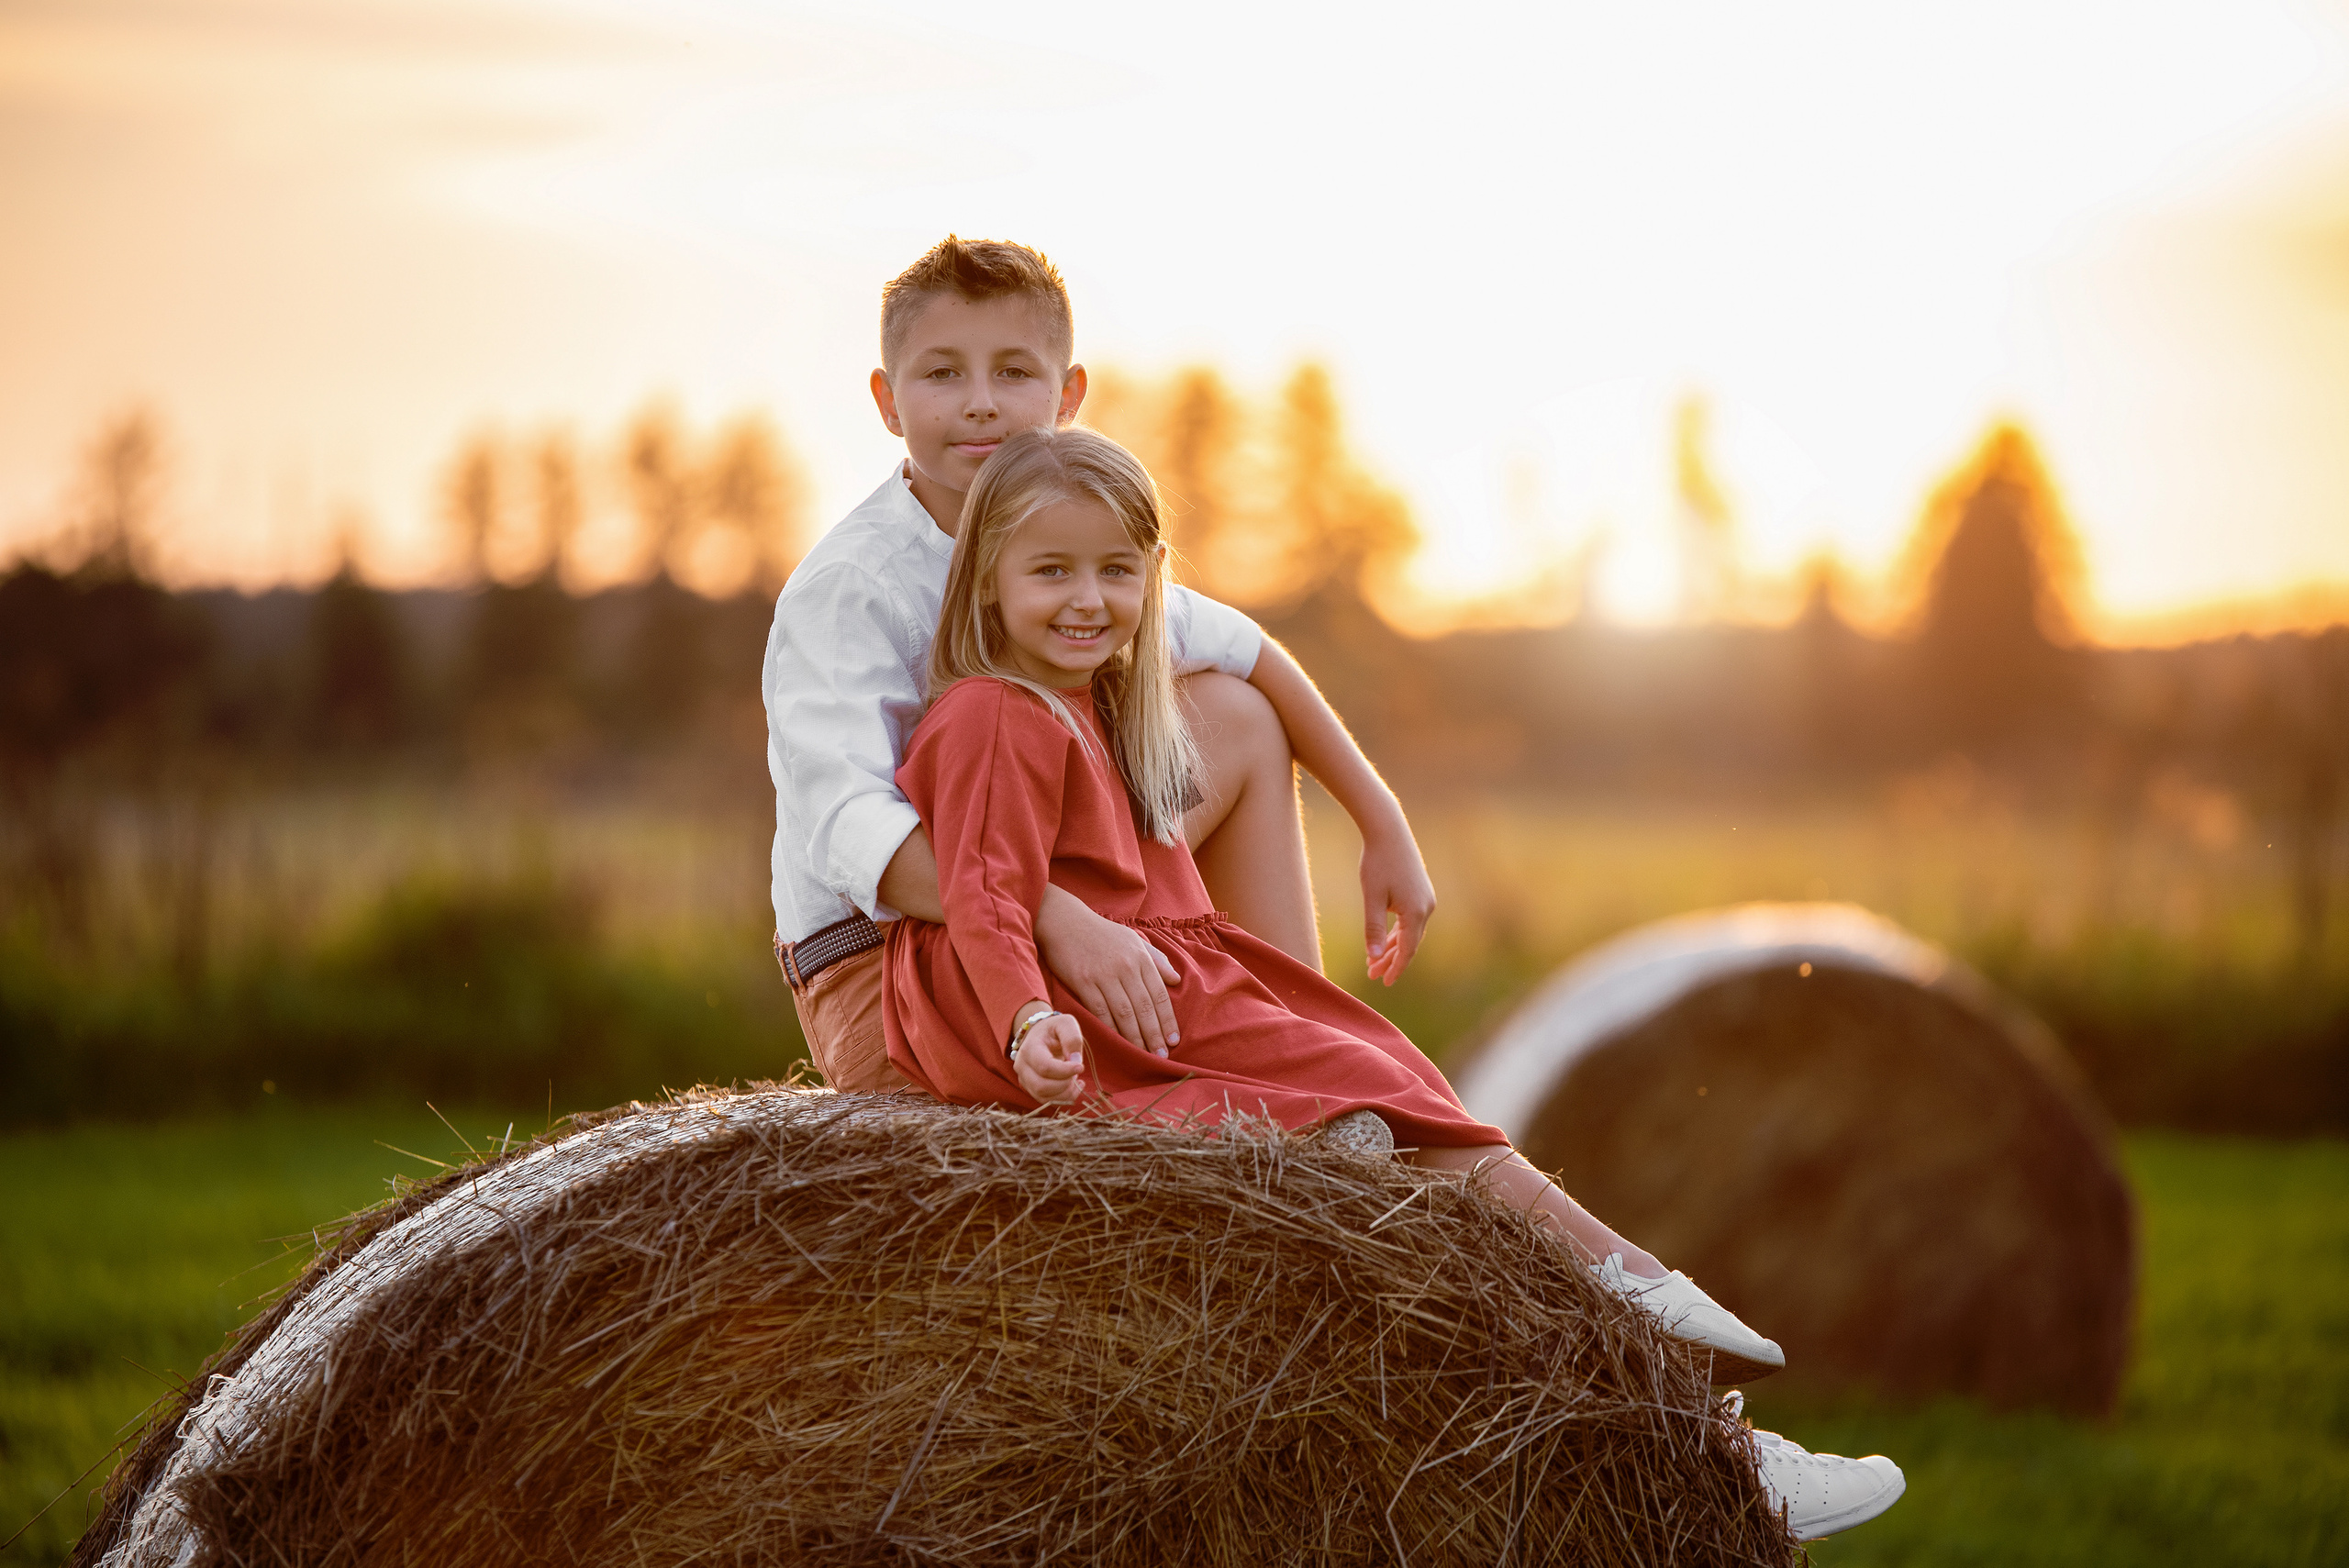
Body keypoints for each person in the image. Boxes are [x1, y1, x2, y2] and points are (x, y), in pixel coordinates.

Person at [881, 424, 1908, 1543]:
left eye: (1116, 571)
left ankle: (1706, 1421)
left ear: (1150, 574)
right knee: (1388, 1101)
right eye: (1053, 571)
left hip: (1133, 994)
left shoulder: (1093, 704)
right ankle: (1637, 1298)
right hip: (1076, 1016)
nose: (1089, 600)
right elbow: (983, 892)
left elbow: (1242, 668)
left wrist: (1372, 819)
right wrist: (1027, 1012)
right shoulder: (993, 711)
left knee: (1393, 1096)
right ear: (986, 580)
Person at [764, 237, 1431, 1098]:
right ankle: (1265, 1073)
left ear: (1068, 395)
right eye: (942, 375)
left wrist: (1382, 820)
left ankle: (1289, 1031)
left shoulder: (1068, 545)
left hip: (1041, 887)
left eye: (1013, 372)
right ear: (888, 402)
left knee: (1235, 712)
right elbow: (855, 831)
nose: (980, 405)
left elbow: (1247, 649)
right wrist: (1056, 918)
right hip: (888, 949)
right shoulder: (848, 589)